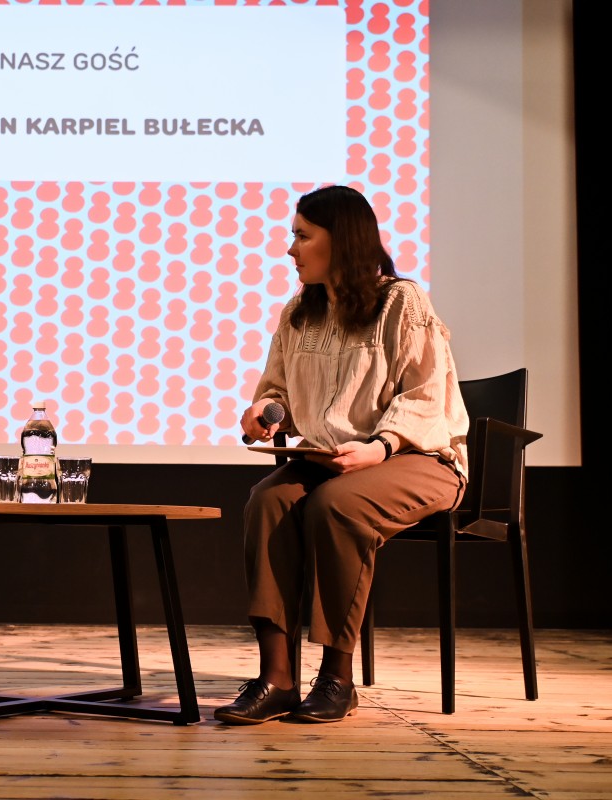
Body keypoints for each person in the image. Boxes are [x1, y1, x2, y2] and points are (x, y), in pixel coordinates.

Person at [214, 184, 469, 725]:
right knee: (267, 501)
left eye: (302, 236)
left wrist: (379, 447)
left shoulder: (401, 302)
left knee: (338, 505)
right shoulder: (298, 313)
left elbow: (426, 396)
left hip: (421, 459)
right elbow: (279, 391)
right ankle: (276, 679)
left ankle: (336, 678)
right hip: (332, 461)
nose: (291, 249)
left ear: (342, 240)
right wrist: (266, 412)